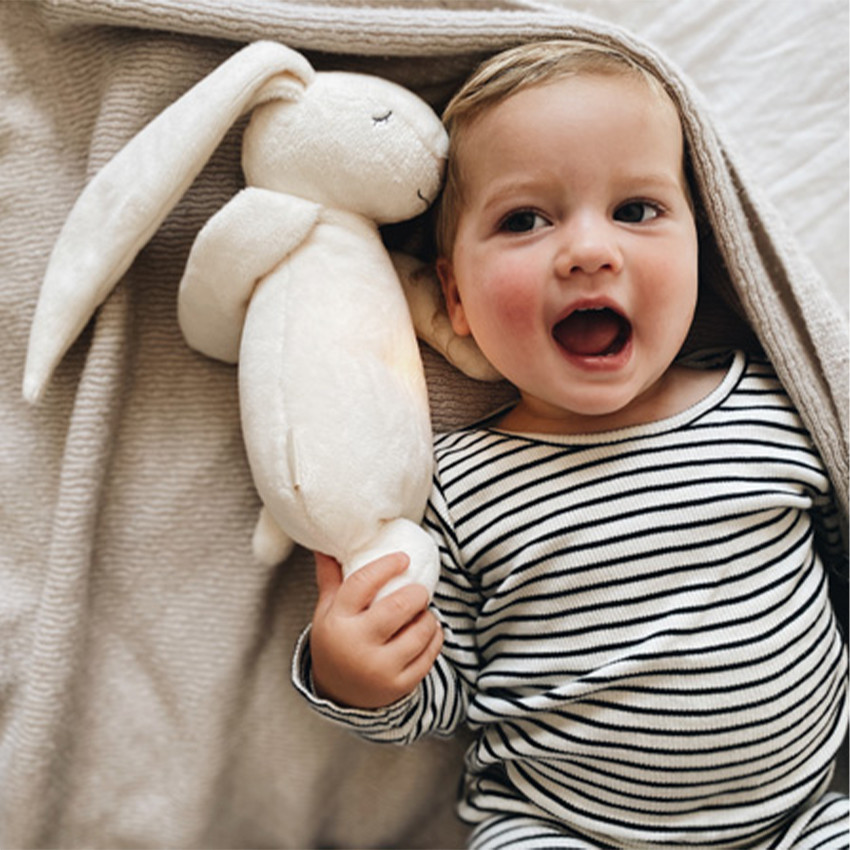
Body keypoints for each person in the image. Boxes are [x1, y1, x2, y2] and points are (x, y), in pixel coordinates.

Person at [292, 40, 849, 849]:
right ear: (456, 297)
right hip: (559, 824)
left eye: (636, 210)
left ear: (706, 246)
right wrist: (355, 675)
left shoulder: (770, 403)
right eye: (525, 220)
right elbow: (444, 691)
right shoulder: (455, 481)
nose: (590, 250)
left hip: (801, 819)